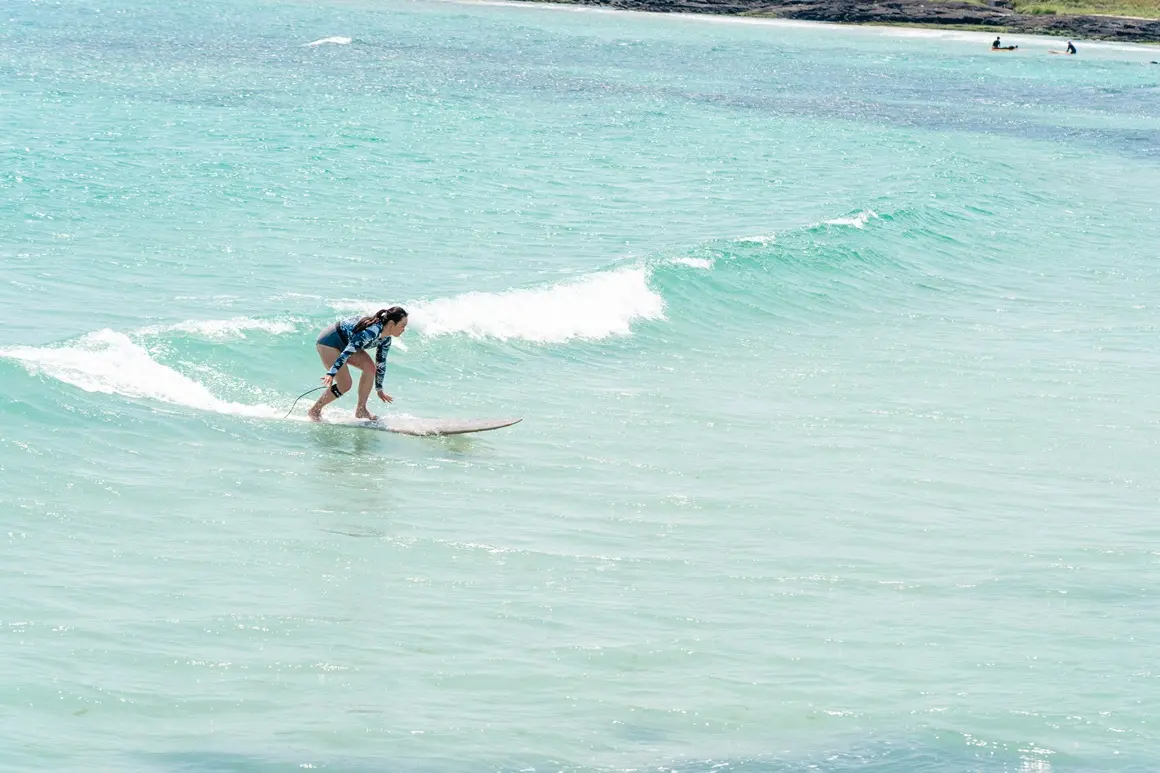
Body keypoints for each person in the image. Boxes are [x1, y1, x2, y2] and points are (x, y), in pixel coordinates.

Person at [308, 307, 408, 422]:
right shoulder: (371, 332)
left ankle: (361, 410)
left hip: (347, 343)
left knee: (370, 368)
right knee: (345, 384)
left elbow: (381, 363)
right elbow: (347, 352)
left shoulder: (385, 340)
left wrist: (379, 389)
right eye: (402, 325)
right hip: (329, 341)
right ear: (391, 323)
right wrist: (331, 373)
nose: (404, 329)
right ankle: (315, 410)